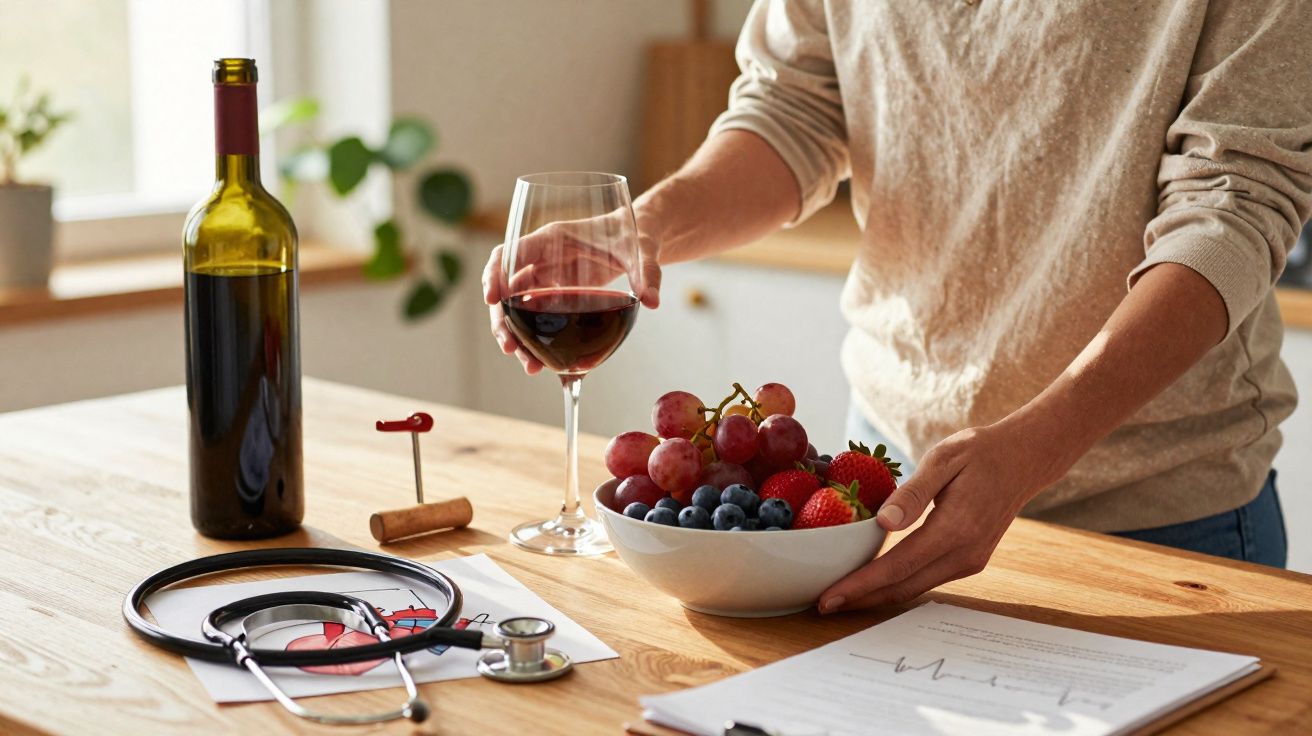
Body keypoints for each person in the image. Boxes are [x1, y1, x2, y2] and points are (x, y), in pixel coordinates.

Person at [484, 1, 1311, 611]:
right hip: (886, 493)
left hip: (1156, 512)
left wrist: (1040, 442)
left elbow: (1235, 205)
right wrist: (641, 229)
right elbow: (794, 111)